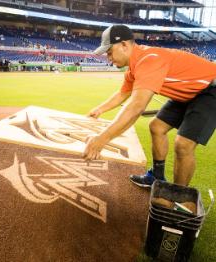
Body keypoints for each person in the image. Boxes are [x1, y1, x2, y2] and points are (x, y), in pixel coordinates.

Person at [83, 24, 216, 188]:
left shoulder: (149, 59)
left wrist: (101, 139)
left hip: (210, 89)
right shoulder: (133, 68)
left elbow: (136, 107)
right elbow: (123, 94)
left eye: (109, 52)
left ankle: (179, 196)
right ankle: (157, 176)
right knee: (156, 126)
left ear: (124, 45)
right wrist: (100, 109)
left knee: (183, 144)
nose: (108, 57)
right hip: (188, 93)